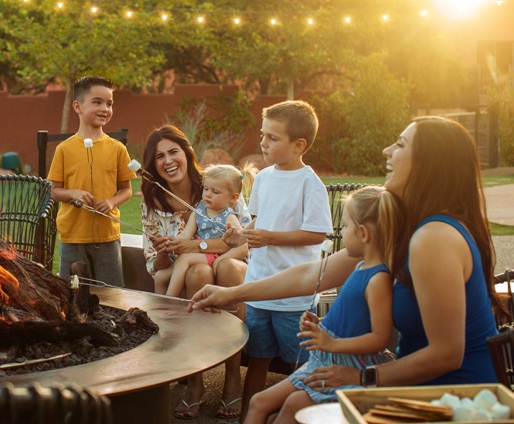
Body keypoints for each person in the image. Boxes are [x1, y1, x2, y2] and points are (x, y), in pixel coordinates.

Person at [191, 116, 503, 406]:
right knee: (276, 405)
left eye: (401, 144)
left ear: (430, 163)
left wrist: (361, 377)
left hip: (453, 398)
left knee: (290, 407)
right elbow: (312, 274)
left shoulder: (434, 237)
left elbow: (446, 355)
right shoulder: (404, 227)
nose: (386, 150)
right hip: (416, 384)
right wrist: (230, 294)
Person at [245, 186, 402, 424]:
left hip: (346, 362)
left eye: (346, 225)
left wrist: (332, 343)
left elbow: (380, 338)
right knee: (259, 403)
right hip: (327, 356)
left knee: (281, 409)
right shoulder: (361, 268)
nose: (341, 231)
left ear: (363, 233)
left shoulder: (378, 279)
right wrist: (321, 324)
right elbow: (354, 316)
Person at [227, 100, 333, 416]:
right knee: (257, 359)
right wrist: (243, 234)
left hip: (293, 298)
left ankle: (301, 416)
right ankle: (251, 416)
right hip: (259, 289)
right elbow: (259, 221)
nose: (263, 143)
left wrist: (271, 238)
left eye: (273, 138)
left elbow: (317, 234)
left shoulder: (310, 184)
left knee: (298, 364)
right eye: (264, 135)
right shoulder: (264, 178)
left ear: (299, 145)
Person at [141, 125, 250, 421]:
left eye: (173, 151)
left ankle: (232, 378)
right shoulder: (153, 203)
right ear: (154, 165)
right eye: (159, 156)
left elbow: (240, 240)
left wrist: (193, 244)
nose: (168, 160)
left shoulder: (220, 182)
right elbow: (155, 265)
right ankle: (195, 381)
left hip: (227, 263)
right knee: (198, 270)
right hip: (189, 270)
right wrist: (167, 248)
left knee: (222, 266)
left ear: (186, 154)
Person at [48, 75, 136, 287]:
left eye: (109, 103)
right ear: (77, 106)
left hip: (107, 235)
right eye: (97, 102)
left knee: (112, 294)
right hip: (73, 236)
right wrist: (74, 194)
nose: (105, 108)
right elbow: (54, 191)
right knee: (72, 293)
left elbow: (127, 190)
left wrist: (112, 202)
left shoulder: (117, 149)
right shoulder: (64, 149)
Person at [165, 163, 255, 297]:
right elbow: (186, 234)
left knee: (184, 259)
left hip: (218, 256)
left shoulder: (228, 216)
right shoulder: (199, 211)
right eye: (206, 189)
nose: (208, 194)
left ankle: (169, 299)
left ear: (233, 198)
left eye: (215, 192)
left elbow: (242, 246)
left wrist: (220, 261)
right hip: (203, 254)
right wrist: (172, 241)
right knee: (162, 275)